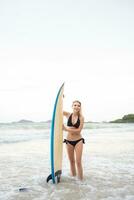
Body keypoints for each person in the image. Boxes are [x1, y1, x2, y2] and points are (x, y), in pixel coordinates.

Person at [63, 100, 85, 180]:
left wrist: (66, 129)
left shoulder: (81, 118)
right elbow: (59, 110)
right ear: (72, 106)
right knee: (71, 162)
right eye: (75, 105)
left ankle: (81, 181)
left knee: (78, 162)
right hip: (68, 141)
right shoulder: (68, 115)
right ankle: (74, 181)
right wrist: (62, 98)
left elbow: (79, 130)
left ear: (80, 107)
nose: (76, 107)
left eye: (78, 105)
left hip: (78, 140)